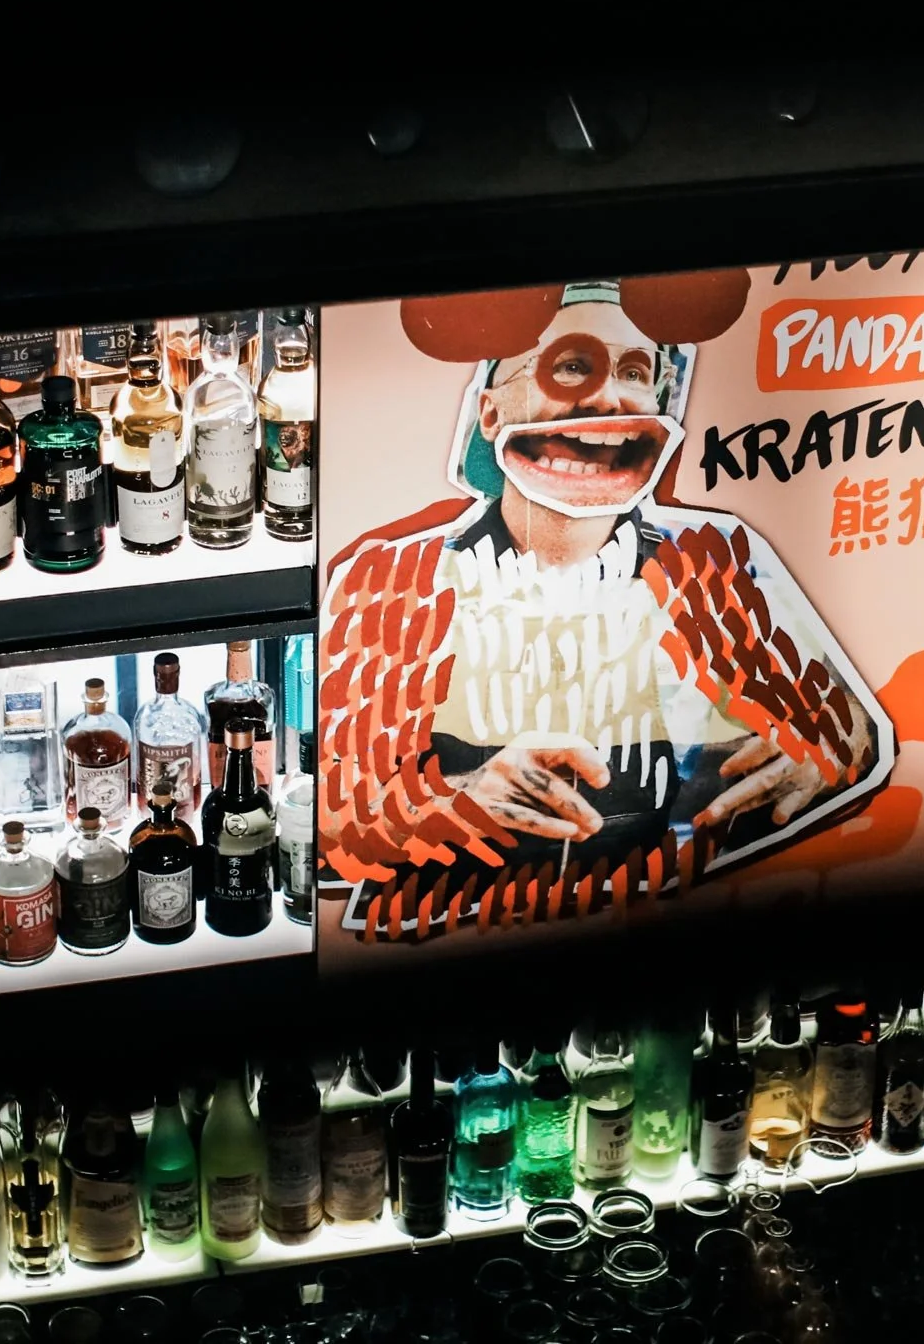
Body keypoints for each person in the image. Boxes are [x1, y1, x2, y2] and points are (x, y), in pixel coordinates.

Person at [319, 274, 890, 940]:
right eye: (570, 367)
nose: (608, 398)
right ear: (491, 414)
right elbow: (333, 828)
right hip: (442, 950)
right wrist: (460, 801)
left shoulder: (713, 557)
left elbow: (845, 728)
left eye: (635, 372)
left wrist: (825, 752)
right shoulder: (391, 579)